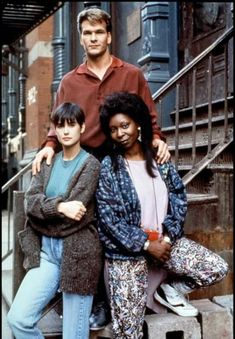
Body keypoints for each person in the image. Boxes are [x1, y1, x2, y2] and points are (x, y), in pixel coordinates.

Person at [31, 7, 171, 330]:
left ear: (109, 36)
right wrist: (49, 147)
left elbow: (148, 116)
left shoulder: (131, 74)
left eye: (98, 32)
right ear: (81, 39)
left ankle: (145, 287)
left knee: (129, 223)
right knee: (89, 230)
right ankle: (93, 299)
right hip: (88, 160)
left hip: (125, 156)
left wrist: (158, 140)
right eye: (87, 33)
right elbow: (58, 124)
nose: (93, 38)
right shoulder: (69, 81)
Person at [96, 91, 229, 338]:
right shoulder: (109, 167)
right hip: (127, 254)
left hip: (165, 242)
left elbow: (178, 199)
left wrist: (167, 238)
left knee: (216, 268)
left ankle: (167, 291)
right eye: (113, 129)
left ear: (137, 124)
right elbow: (109, 220)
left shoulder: (159, 158)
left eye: (125, 125)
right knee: (128, 332)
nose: (120, 133)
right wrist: (147, 244)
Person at [7, 102, 102, 339]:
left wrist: (44, 213)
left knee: (74, 335)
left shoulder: (91, 165)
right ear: (55, 130)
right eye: (60, 126)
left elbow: (75, 216)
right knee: (18, 319)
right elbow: (30, 204)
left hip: (79, 253)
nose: (66, 131)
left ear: (82, 127)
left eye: (72, 125)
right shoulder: (48, 162)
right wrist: (60, 206)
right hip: (47, 253)